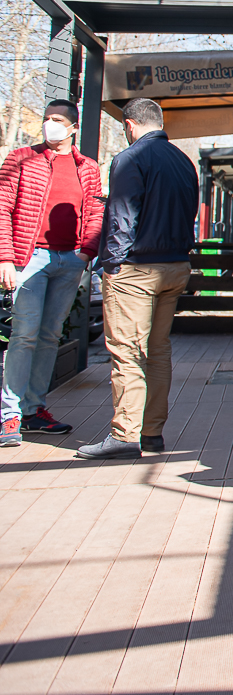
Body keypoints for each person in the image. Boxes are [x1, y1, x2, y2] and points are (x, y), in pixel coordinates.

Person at [76, 98, 198, 459]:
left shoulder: (129, 159)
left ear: (129, 124)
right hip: (175, 266)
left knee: (127, 353)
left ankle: (125, 433)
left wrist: (110, 264)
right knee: (157, 351)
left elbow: (122, 217)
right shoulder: (182, 160)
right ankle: (151, 433)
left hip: (135, 270)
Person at [0, 99, 104, 447]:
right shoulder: (20, 159)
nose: (50, 125)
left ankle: (34, 410)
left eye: (57, 120)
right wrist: (5, 258)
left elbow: (94, 210)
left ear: (73, 127)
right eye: (47, 119)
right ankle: (10, 416)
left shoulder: (87, 167)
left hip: (69, 260)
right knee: (24, 334)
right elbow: (2, 207)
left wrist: (86, 253)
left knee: (48, 336)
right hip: (29, 260)